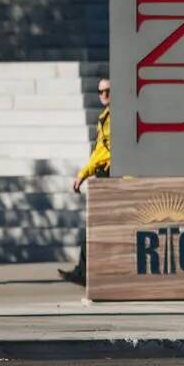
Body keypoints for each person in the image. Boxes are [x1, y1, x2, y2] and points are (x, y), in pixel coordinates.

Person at [59, 77, 111, 285]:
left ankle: (84, 273)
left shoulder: (112, 118)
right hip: (104, 176)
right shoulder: (105, 117)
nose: (104, 95)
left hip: (109, 177)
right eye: (101, 92)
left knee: (94, 226)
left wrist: (83, 174)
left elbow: (103, 153)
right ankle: (84, 272)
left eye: (108, 90)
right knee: (94, 226)